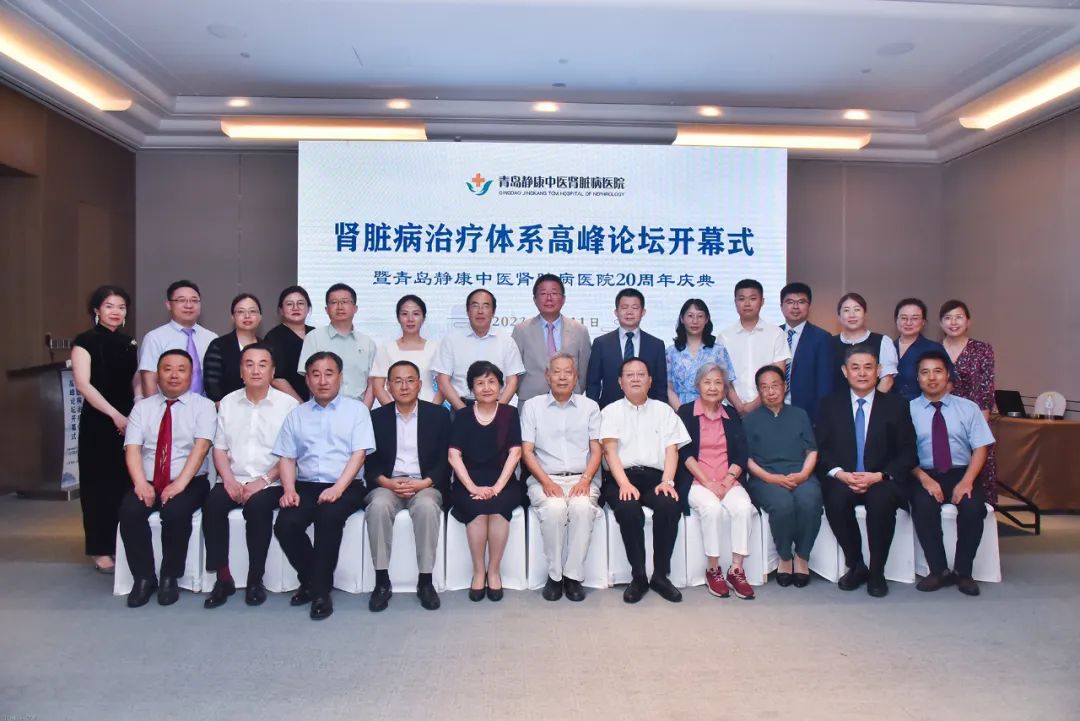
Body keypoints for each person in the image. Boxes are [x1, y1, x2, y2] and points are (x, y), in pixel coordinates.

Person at [272, 351, 374, 620]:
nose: (322, 380)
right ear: (307, 380)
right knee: (285, 525)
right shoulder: (297, 415)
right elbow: (287, 457)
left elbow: (359, 455)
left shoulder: (357, 411)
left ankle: (319, 593)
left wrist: (338, 488)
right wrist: (289, 490)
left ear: (340, 377)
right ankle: (311, 579)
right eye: (315, 375)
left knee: (328, 517)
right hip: (306, 485)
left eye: (329, 374)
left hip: (347, 484)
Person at [816, 344, 917, 598]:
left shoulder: (896, 405)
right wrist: (840, 473)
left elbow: (908, 453)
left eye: (868, 367)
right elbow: (821, 449)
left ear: (879, 370)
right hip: (844, 477)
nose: (862, 373)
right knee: (835, 499)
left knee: (881, 501)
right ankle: (856, 565)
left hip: (880, 478)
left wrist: (879, 476)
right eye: (855, 368)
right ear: (845, 371)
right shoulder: (830, 405)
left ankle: (877, 571)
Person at [201, 343, 298, 608]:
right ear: (241, 371)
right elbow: (219, 448)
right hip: (233, 477)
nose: (256, 370)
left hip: (272, 481)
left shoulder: (288, 405)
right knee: (213, 504)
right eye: (249, 364)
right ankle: (223, 578)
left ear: (272, 371)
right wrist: (229, 480)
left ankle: (255, 578)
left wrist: (263, 481)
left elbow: (290, 454)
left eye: (262, 365)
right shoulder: (228, 403)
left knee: (257, 508)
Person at [118, 349, 216, 608]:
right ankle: (143, 578)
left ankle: (169, 576)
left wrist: (179, 484)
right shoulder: (142, 408)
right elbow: (133, 449)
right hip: (148, 479)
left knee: (175, 512)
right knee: (129, 511)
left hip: (190, 480)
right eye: (167, 369)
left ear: (191, 375)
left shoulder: (203, 407)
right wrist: (141, 483)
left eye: (181, 370)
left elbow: (201, 448)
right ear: (157, 374)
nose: (174, 375)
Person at [600, 358, 690, 604]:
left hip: (655, 478)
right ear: (620, 382)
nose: (635, 379)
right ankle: (638, 576)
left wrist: (667, 481)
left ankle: (660, 576)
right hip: (621, 477)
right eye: (629, 375)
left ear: (650, 381)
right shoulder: (610, 412)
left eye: (641, 374)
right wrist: (624, 484)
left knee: (669, 505)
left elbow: (672, 450)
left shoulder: (664, 411)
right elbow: (610, 452)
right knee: (628, 509)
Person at [363, 360, 451, 612]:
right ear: (388, 386)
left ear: (420, 385)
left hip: (425, 484)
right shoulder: (376, 418)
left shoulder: (438, 415)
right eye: (398, 381)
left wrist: (424, 482)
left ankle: (425, 581)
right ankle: (382, 581)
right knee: (378, 506)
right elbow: (369, 462)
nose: (404, 386)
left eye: (410, 380)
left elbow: (445, 459)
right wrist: (387, 483)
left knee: (426, 507)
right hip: (387, 484)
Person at [909, 350, 995, 597]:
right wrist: (925, 479)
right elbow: (903, 453)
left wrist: (967, 481)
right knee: (923, 506)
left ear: (947, 375)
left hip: (961, 472)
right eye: (925, 372)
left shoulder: (968, 408)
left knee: (973, 508)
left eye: (937, 371)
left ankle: (963, 572)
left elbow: (981, 447)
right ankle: (938, 570)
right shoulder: (907, 410)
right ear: (917, 378)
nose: (931, 377)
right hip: (923, 473)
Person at [520, 353, 603, 602]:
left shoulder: (590, 407)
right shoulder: (532, 407)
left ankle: (573, 576)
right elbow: (527, 451)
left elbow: (597, 449)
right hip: (544, 479)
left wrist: (585, 480)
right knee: (555, 510)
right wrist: (546, 481)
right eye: (556, 372)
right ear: (547, 376)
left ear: (576, 377)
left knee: (582, 509)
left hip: (582, 478)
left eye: (568, 372)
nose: (562, 377)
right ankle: (555, 576)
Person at [72, 285, 138, 573]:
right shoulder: (84, 341)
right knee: (98, 486)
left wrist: (136, 407)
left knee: (124, 483)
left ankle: (121, 543)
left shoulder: (129, 342)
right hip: (100, 421)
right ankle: (100, 549)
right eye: (109, 306)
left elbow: (134, 379)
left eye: (121, 307)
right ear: (97, 310)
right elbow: (83, 384)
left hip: (128, 419)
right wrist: (114, 415)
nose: (116, 312)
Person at [675, 363, 756, 600]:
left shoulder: (732, 415)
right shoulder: (686, 412)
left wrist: (728, 480)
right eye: (707, 382)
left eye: (718, 383)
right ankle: (713, 569)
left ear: (725, 389)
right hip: (697, 480)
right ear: (697, 385)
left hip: (728, 479)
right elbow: (684, 453)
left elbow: (741, 453)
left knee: (743, 507)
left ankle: (736, 570)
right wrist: (708, 483)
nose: (712, 387)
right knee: (711, 508)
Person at [447, 361, 525, 601]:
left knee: (499, 509)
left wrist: (498, 487)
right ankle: (478, 572)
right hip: (468, 482)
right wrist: (472, 487)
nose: (486, 387)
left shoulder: (510, 414)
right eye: (480, 383)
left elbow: (516, 452)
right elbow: (453, 455)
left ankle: (494, 571)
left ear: (501, 386)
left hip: (503, 481)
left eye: (492, 382)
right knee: (478, 509)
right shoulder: (462, 416)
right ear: (471, 389)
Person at [743, 365, 821, 588]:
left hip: (800, 474)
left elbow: (812, 450)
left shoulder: (799, 414)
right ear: (759, 391)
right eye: (764, 387)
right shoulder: (750, 420)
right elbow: (747, 460)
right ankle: (785, 557)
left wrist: (804, 474)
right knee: (782, 505)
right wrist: (771, 478)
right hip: (765, 478)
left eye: (775, 385)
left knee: (810, 501)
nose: (770, 392)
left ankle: (802, 556)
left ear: (785, 386)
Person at [940, 300, 998, 503]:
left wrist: (981, 421)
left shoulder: (982, 349)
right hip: (940, 417)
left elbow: (985, 387)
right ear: (940, 323)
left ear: (968, 321)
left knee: (977, 465)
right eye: (948, 318)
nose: (953, 322)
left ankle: (981, 509)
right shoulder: (934, 350)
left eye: (959, 317)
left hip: (973, 417)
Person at [434, 289, 525, 410]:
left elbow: (512, 381)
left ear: (493, 312)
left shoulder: (506, 341)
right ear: (468, 311)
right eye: (475, 306)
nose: (480, 311)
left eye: (486, 306)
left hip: (497, 406)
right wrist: (463, 411)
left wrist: (498, 411)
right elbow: (443, 380)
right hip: (460, 406)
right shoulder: (451, 340)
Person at [512, 274, 592, 403]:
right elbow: (514, 370)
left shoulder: (579, 330)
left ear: (563, 299)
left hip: (570, 401)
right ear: (534, 299)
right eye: (543, 294)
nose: (549, 298)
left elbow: (584, 370)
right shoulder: (521, 330)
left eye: (554, 293)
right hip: (531, 400)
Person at [297, 283, 376, 406]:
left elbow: (372, 384)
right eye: (334, 302)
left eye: (345, 302)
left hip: (357, 409)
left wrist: (363, 412)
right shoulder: (313, 338)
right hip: (322, 409)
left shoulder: (367, 343)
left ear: (355, 308)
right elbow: (309, 378)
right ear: (326, 309)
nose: (340, 307)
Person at [586, 288, 667, 409]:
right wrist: (593, 411)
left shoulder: (656, 345)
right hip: (609, 411)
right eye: (624, 307)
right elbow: (593, 384)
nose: (629, 312)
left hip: (647, 411)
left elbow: (661, 386)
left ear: (643, 312)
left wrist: (660, 412)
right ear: (616, 312)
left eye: (635, 308)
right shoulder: (601, 343)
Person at [720, 279, 790, 415]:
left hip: (768, 408)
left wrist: (754, 405)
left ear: (762, 301)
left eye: (753, 298)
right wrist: (739, 406)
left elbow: (778, 373)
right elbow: (723, 377)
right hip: (733, 409)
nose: (747, 304)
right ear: (735, 302)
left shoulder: (776, 333)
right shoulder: (724, 336)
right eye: (741, 299)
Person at [138, 280, 218, 398]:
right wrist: (154, 409)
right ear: (168, 305)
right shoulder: (154, 337)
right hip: (167, 405)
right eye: (181, 300)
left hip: (206, 406)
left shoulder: (212, 338)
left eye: (194, 300)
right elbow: (149, 381)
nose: (189, 305)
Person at [368, 295, 442, 406]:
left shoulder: (435, 348)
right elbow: (378, 386)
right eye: (404, 314)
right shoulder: (387, 348)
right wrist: (393, 410)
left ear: (423, 318)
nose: (410, 319)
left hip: (429, 406)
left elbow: (444, 385)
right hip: (394, 410)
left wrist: (432, 410)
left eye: (416, 314)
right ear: (398, 318)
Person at [665, 298, 738, 409]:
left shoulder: (718, 351)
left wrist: (740, 408)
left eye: (700, 316)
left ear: (707, 319)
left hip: (712, 410)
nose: (695, 321)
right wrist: (682, 412)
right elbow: (668, 387)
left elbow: (727, 385)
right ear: (682, 319)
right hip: (679, 410)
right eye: (690, 316)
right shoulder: (671, 352)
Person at [779, 282, 834, 421]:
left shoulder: (821, 338)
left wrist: (819, 418)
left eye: (801, 302)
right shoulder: (773, 334)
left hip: (807, 414)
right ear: (781, 306)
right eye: (790, 302)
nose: (795, 307)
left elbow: (824, 384)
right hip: (773, 410)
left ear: (809, 306)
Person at [832, 292, 898, 395]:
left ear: (865, 314)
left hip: (875, 403)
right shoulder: (828, 343)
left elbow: (887, 381)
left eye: (857, 309)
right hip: (836, 403)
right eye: (846, 310)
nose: (852, 315)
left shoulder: (883, 341)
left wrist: (870, 403)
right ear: (839, 317)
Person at [202, 293, 262, 403]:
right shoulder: (218, 346)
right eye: (241, 312)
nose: (247, 316)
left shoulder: (266, 346)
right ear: (233, 317)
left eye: (252, 311)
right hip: (227, 408)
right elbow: (212, 385)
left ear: (260, 317)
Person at [893, 297, 951, 401]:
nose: (908, 323)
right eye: (904, 318)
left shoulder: (934, 348)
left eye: (915, 318)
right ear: (896, 320)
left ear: (923, 322)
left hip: (922, 407)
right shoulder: (887, 347)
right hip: (890, 407)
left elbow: (948, 383)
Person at [265, 285, 315, 402]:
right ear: (281, 310)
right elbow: (277, 379)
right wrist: (301, 405)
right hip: (287, 402)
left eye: (300, 303)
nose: (295, 308)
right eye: (289, 304)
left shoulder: (315, 333)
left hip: (318, 402)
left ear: (308, 308)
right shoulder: (274, 336)